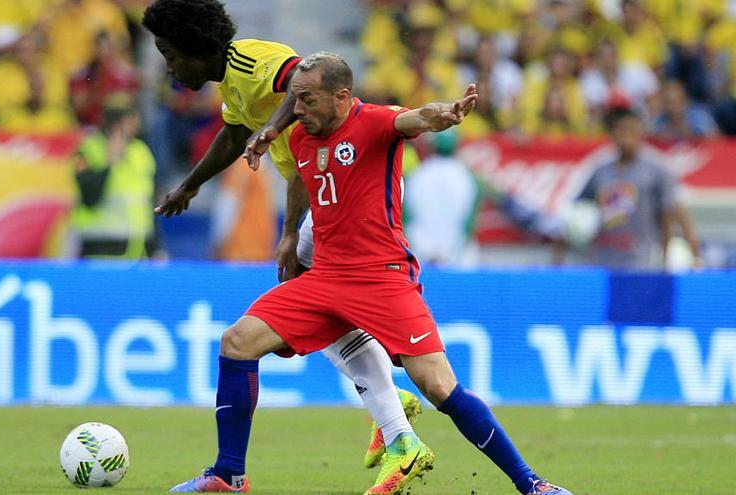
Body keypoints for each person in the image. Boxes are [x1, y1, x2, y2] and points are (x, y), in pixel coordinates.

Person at [170, 52, 573, 495]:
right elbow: (301, 180)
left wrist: (444, 113)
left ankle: (533, 484)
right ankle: (229, 475)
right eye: (295, 100)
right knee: (237, 342)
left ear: (342, 97)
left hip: (382, 277)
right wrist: (288, 234)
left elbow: (416, 119)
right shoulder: (303, 137)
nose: (297, 110)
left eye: (307, 99)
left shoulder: (375, 122)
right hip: (324, 279)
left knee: (438, 385)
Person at [141, 2, 428, 493]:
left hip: (336, 199)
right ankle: (387, 402)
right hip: (319, 198)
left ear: (196, 46)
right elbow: (234, 135)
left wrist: (290, 227)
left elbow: (300, 78)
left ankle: (393, 421)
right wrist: (191, 184)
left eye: (171, 54)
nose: (169, 67)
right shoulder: (234, 86)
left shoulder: (252, 61)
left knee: (303, 305)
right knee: (320, 307)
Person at [568, 107, 703, 269]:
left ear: (641, 133)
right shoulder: (600, 169)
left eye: (631, 131)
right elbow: (579, 209)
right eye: (621, 131)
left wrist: (679, 256)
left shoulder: (658, 168)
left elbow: (673, 212)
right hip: (603, 260)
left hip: (642, 260)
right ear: (612, 134)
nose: (626, 137)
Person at [71, 102, 159, 259]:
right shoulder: (89, 149)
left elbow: (147, 202)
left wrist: (156, 248)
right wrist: (109, 163)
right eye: (131, 121)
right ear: (117, 124)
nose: (136, 126)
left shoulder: (141, 151)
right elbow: (89, 197)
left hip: (137, 248)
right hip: (100, 246)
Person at [404, 128, 481, 267]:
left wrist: (423, 250)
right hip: (458, 256)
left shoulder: (416, 175)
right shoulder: (467, 177)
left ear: (430, 146)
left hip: (420, 255)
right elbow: (469, 222)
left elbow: (406, 218)